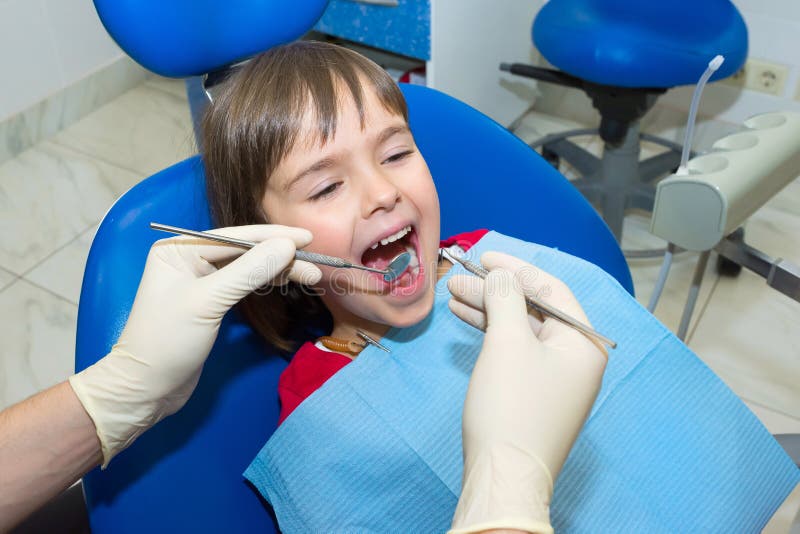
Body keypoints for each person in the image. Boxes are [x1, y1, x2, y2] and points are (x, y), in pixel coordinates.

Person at [201, 40, 607, 532]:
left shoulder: (493, 258)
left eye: (396, 154)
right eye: (327, 187)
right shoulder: (319, 402)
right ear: (270, 243)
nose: (383, 193)